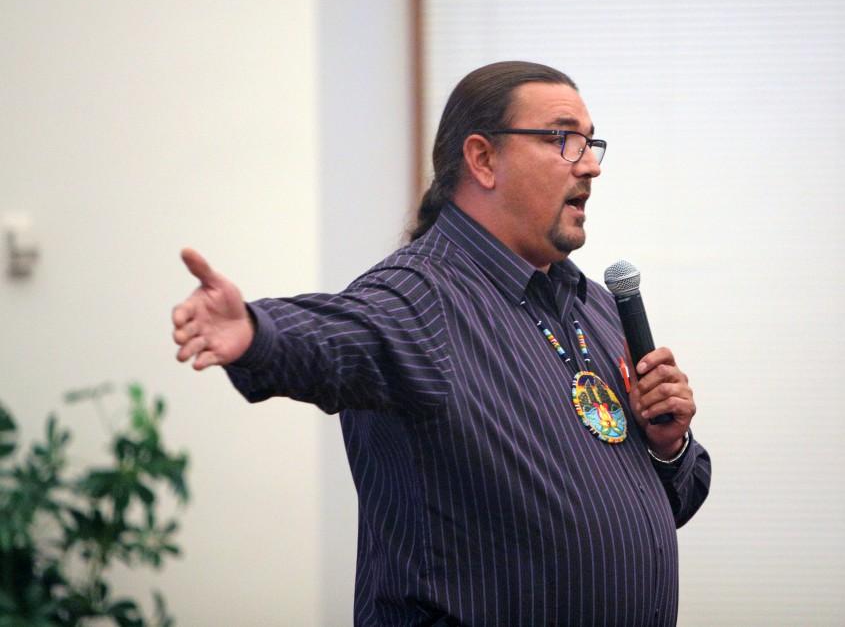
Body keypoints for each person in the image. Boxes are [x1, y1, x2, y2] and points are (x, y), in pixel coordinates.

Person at [172, 61, 711, 626]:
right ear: (483, 159)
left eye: (590, 142)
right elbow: (343, 336)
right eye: (563, 139)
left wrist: (667, 447)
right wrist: (256, 332)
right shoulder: (421, 299)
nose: (593, 165)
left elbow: (672, 502)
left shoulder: (595, 307)